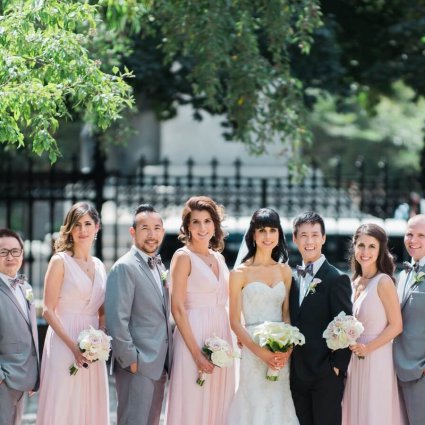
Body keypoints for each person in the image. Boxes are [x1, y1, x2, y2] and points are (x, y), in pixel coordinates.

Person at [36, 202, 109, 425]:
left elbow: (102, 311)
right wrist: (74, 348)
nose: (83, 230)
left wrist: (101, 337)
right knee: (63, 399)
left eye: (88, 224)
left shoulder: (99, 265)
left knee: (90, 401)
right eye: (77, 224)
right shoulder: (60, 261)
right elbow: (47, 310)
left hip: (92, 347)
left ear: (97, 227)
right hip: (64, 341)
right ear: (69, 228)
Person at [165, 196, 234, 425]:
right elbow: (177, 308)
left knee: (219, 402)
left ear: (215, 224)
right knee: (193, 402)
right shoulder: (183, 257)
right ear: (187, 227)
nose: (202, 228)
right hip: (192, 336)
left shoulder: (219, 258)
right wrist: (196, 353)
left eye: (207, 221)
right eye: (196, 222)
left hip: (220, 334)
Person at [227, 208, 299, 425]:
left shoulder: (285, 271)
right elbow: (234, 321)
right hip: (252, 352)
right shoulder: (239, 274)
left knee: (279, 404)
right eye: (262, 231)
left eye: (273, 230)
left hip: (281, 356)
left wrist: (287, 350)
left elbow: (287, 317)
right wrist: (261, 353)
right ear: (254, 235)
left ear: (279, 235)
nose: (268, 236)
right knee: (254, 406)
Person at [105, 204, 172, 425]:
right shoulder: (124, 267)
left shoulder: (161, 267)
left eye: (157, 228)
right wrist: (131, 360)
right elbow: (116, 319)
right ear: (133, 231)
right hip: (138, 365)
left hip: (159, 365)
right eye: (145, 228)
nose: (152, 235)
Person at [289, 211, 352, 425]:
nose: (309, 241)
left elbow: (346, 326)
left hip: (325, 375)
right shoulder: (293, 278)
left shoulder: (336, 279)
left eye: (315, 235)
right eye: (304, 235)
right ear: (295, 239)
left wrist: (336, 368)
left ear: (323, 238)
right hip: (297, 374)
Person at [342, 223, 404, 425]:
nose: (365, 252)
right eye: (361, 245)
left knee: (374, 412)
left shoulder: (384, 281)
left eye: (371, 246)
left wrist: (368, 348)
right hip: (354, 358)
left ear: (380, 251)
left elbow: (396, 326)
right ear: (354, 247)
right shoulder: (354, 282)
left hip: (377, 357)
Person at [0, 228, 39, 425]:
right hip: (4, 379)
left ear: (22, 254)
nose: (10, 257)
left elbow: (31, 332)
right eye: (3, 252)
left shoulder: (26, 287)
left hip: (24, 377)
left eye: (15, 251)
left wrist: (35, 374)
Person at [393, 214, 425, 425]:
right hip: (397, 370)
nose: (413, 240)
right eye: (409, 234)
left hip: (420, 371)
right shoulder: (403, 274)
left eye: (421, 235)